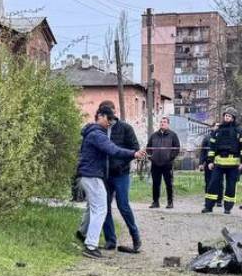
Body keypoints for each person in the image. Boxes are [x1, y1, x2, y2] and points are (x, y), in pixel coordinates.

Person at [74, 105, 138, 257]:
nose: (110, 123)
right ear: (101, 116)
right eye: (108, 119)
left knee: (96, 208)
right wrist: (133, 154)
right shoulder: (97, 134)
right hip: (92, 176)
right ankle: (90, 246)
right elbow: (113, 150)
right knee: (101, 209)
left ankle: (86, 237)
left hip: (88, 175)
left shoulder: (92, 132)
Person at [96, 100, 143, 252]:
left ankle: (135, 236)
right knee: (105, 207)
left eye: (110, 112)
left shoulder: (125, 128)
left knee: (123, 205)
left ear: (114, 112)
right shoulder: (99, 130)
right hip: (104, 175)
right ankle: (110, 240)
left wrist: (122, 162)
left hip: (121, 174)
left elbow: (134, 149)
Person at [202, 108, 242, 214]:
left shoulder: (240, 131)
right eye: (226, 116)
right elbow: (212, 147)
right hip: (218, 163)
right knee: (213, 184)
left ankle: (227, 208)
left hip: (233, 164)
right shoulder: (217, 131)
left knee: (231, 186)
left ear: (233, 118)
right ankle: (209, 206)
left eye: (229, 116)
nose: (227, 117)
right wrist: (210, 161)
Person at [146, 116, 180, 209]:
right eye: (161, 122)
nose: (162, 123)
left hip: (167, 164)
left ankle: (170, 202)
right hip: (155, 164)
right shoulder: (153, 135)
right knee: (156, 183)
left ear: (168, 124)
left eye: (164, 122)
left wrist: (170, 158)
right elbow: (148, 148)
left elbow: (177, 148)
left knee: (168, 183)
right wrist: (151, 157)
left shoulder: (173, 135)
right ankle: (155, 202)